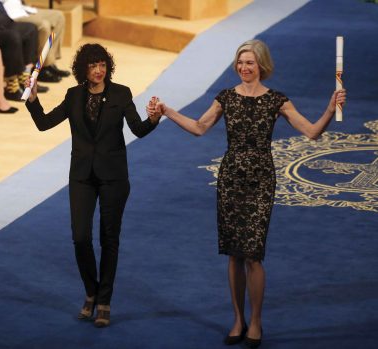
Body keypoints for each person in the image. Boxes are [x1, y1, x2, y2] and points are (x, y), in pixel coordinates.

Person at [146, 39, 346, 348]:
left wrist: (331, 108)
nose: (244, 67)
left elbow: (312, 131)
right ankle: (237, 319)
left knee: (253, 253)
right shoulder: (226, 97)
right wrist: (167, 110)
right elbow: (199, 127)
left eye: (250, 63)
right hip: (230, 180)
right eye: (240, 62)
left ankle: (255, 322)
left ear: (262, 66)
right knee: (234, 253)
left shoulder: (277, 100)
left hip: (261, 182)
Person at [25, 43, 161, 328]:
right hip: (82, 177)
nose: (99, 70)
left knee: (109, 239)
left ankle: (103, 301)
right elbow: (44, 123)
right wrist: (33, 98)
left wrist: (153, 119)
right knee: (80, 237)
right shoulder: (74, 96)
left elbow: (137, 128)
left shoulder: (121, 93)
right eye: (92, 65)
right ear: (82, 70)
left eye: (102, 65)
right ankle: (91, 290)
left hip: (114, 177)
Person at [0, 0, 70, 82]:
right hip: (9, 13)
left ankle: (49, 63)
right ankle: (41, 68)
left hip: (21, 8)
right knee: (44, 26)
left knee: (59, 17)